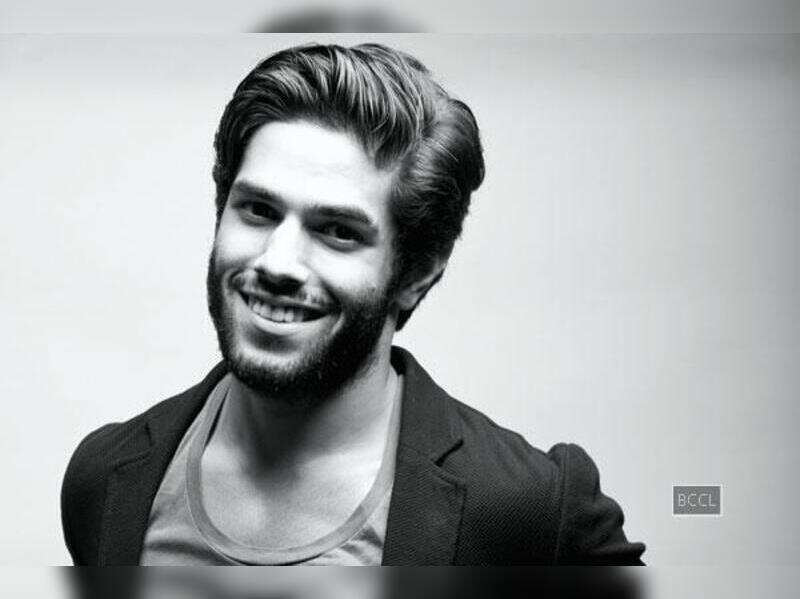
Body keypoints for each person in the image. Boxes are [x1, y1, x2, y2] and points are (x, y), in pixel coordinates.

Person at [60, 42, 645, 565]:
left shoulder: (525, 505)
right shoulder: (105, 478)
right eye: (258, 211)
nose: (277, 263)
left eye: (338, 231)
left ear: (416, 274)